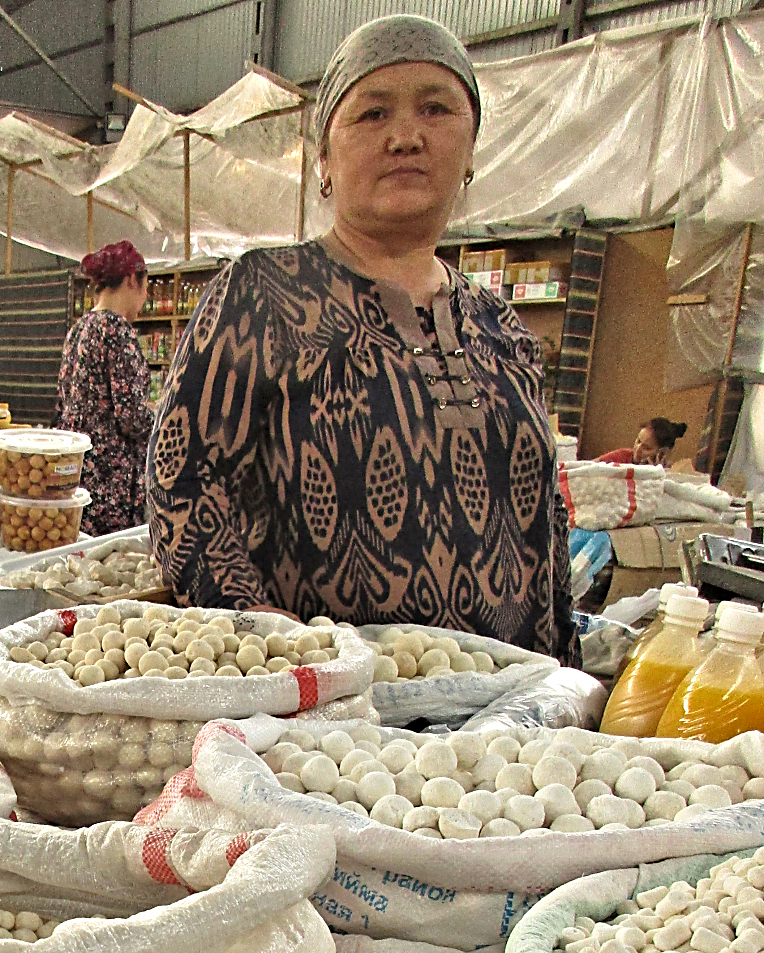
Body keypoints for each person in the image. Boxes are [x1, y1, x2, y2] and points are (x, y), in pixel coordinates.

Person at [147, 15, 580, 666]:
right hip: (328, 735)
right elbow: (182, 487)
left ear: (471, 153)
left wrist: (564, 685)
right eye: (372, 114)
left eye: (436, 108)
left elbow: (546, 527)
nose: (406, 136)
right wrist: (272, 639)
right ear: (323, 159)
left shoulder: (504, 330)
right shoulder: (262, 295)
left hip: (502, 733)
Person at [55, 240, 153, 536]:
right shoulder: (117, 331)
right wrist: (163, 420)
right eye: (146, 288)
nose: (145, 299)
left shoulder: (79, 329)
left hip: (78, 475)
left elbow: (62, 405)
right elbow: (132, 417)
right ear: (132, 280)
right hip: (112, 483)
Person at [596, 418, 688, 466]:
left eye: (647, 448)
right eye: (638, 441)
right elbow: (587, 467)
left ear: (662, 452)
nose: (638, 449)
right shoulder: (622, 455)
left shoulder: (669, 471)